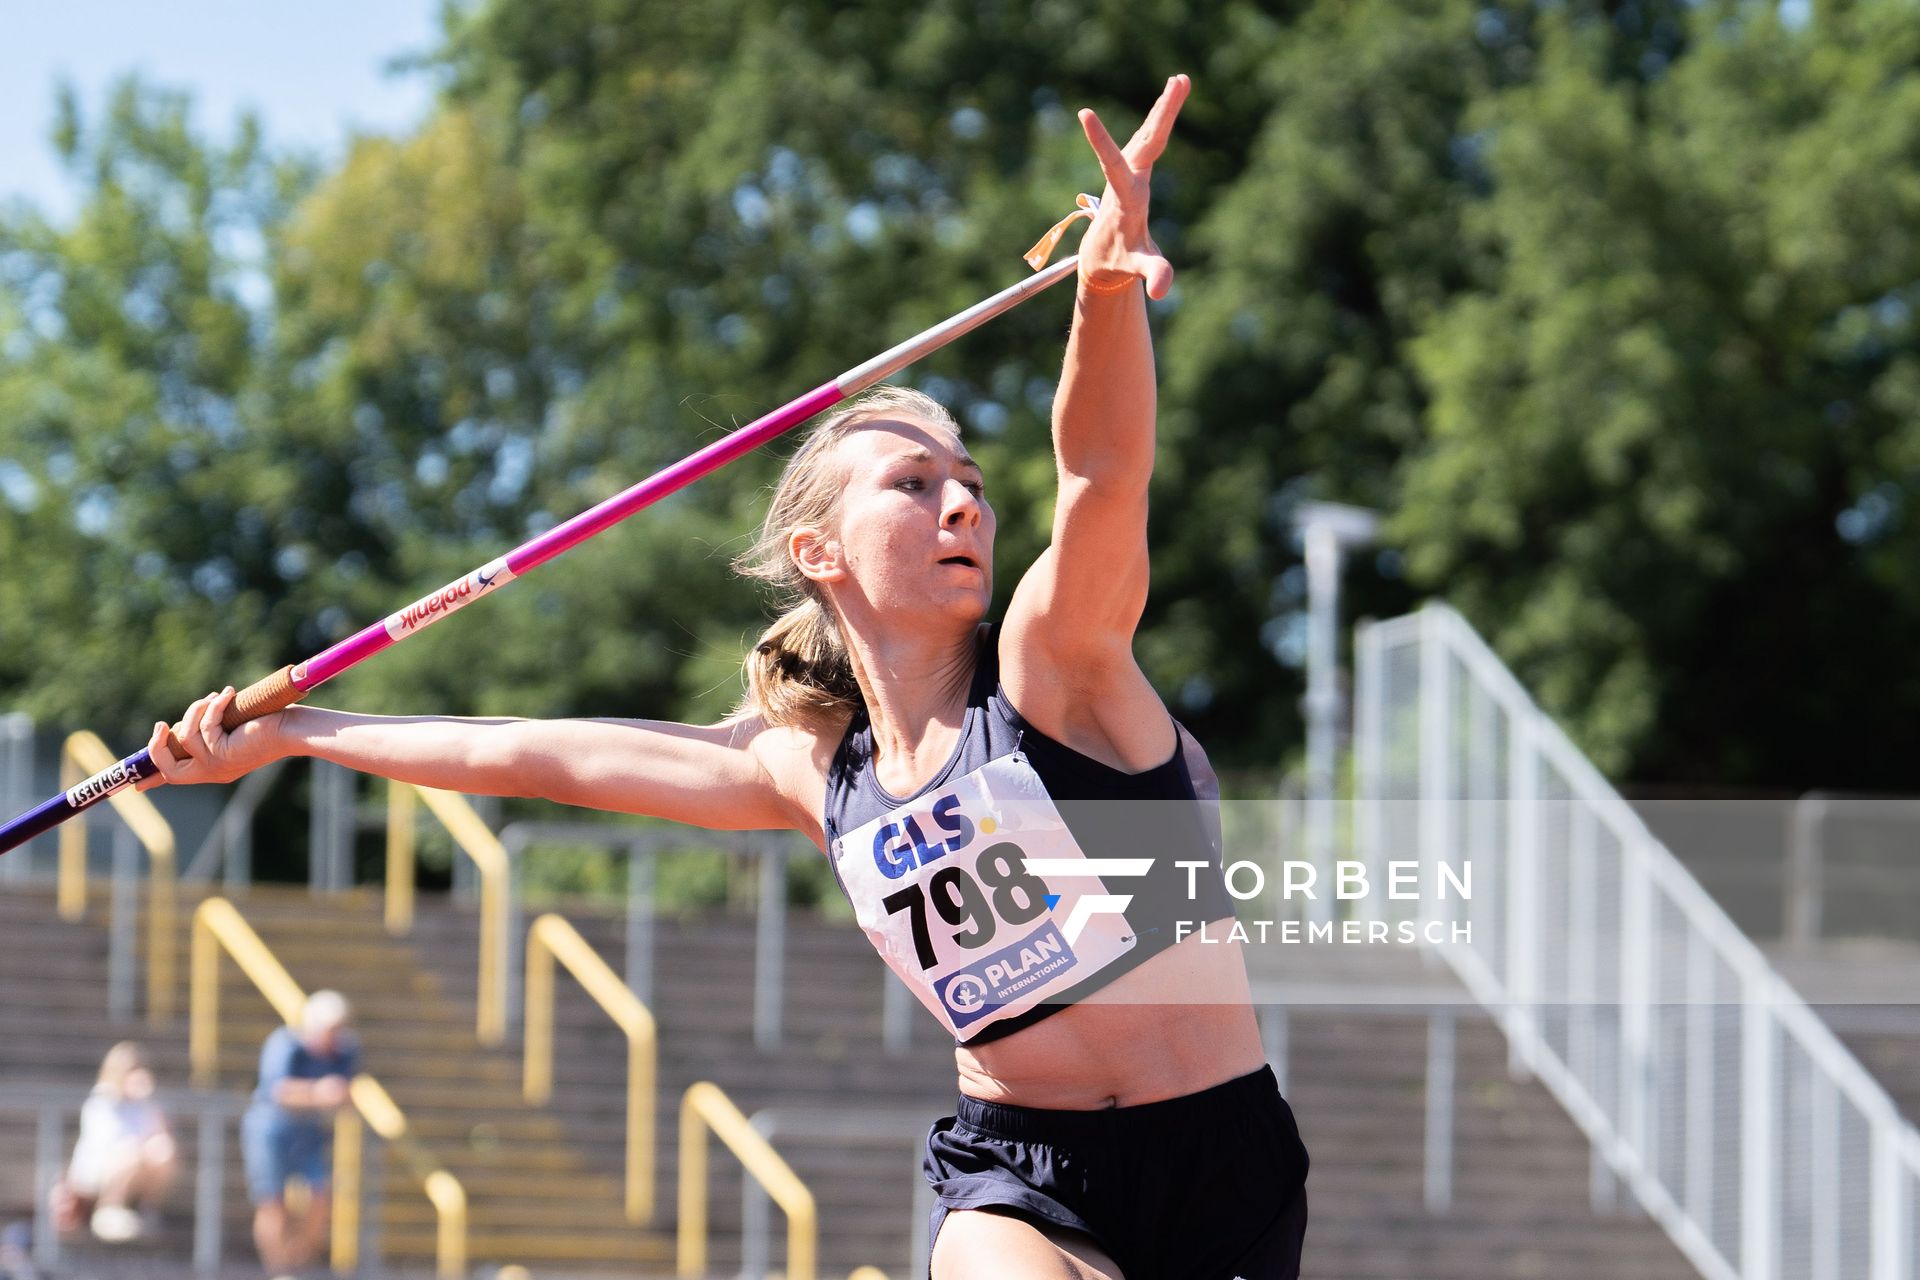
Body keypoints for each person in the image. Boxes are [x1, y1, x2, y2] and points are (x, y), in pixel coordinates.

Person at [143, 73, 1310, 1278]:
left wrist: (1105, 289)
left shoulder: (1053, 667)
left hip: (1218, 1162)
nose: (962, 499)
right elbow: (534, 752)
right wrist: (300, 733)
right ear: (818, 552)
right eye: (912, 485)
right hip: (1016, 1172)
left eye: (967, 480)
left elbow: (1102, 475)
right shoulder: (809, 768)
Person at [240, 990, 359, 1280]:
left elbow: (346, 1090)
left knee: (321, 1196)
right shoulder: (285, 1045)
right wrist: (319, 1094)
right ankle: (279, 1270)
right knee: (272, 1202)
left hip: (309, 1130)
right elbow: (278, 1091)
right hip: (271, 1129)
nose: (335, 1035)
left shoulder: (346, 1049)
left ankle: (297, 1260)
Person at [52, 1042, 177, 1243]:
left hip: (135, 1166)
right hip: (98, 1169)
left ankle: (147, 1210)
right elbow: (106, 1143)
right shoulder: (101, 1100)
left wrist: (147, 1101)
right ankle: (108, 1209)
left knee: (163, 1150)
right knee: (132, 1150)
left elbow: (159, 1134)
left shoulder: (144, 1102)